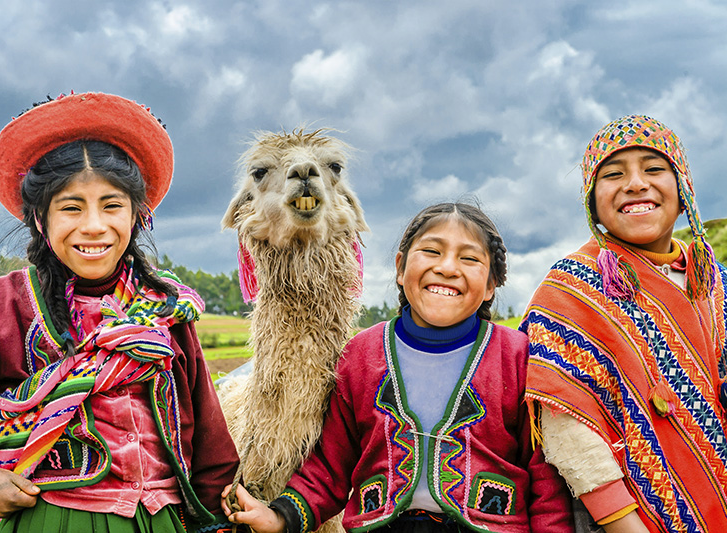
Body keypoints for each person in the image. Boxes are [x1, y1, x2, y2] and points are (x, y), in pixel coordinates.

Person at [0, 91, 239, 532]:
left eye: (111, 205)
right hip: (53, 519)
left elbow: (209, 440)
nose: (94, 225)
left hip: (165, 519)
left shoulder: (165, 312)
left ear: (137, 216)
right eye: (71, 207)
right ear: (41, 218)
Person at [222, 202, 574, 532]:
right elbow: (330, 466)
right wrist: (279, 516)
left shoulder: (516, 358)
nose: (447, 267)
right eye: (432, 251)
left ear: (491, 287)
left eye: (469, 258)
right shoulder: (362, 356)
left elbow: (544, 476)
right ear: (401, 268)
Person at [520, 115, 727, 532]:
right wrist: (622, 523)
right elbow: (567, 427)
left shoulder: (715, 283)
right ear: (591, 200)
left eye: (654, 169)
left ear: (682, 187)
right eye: (614, 174)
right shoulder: (569, 292)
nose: (636, 184)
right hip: (618, 519)